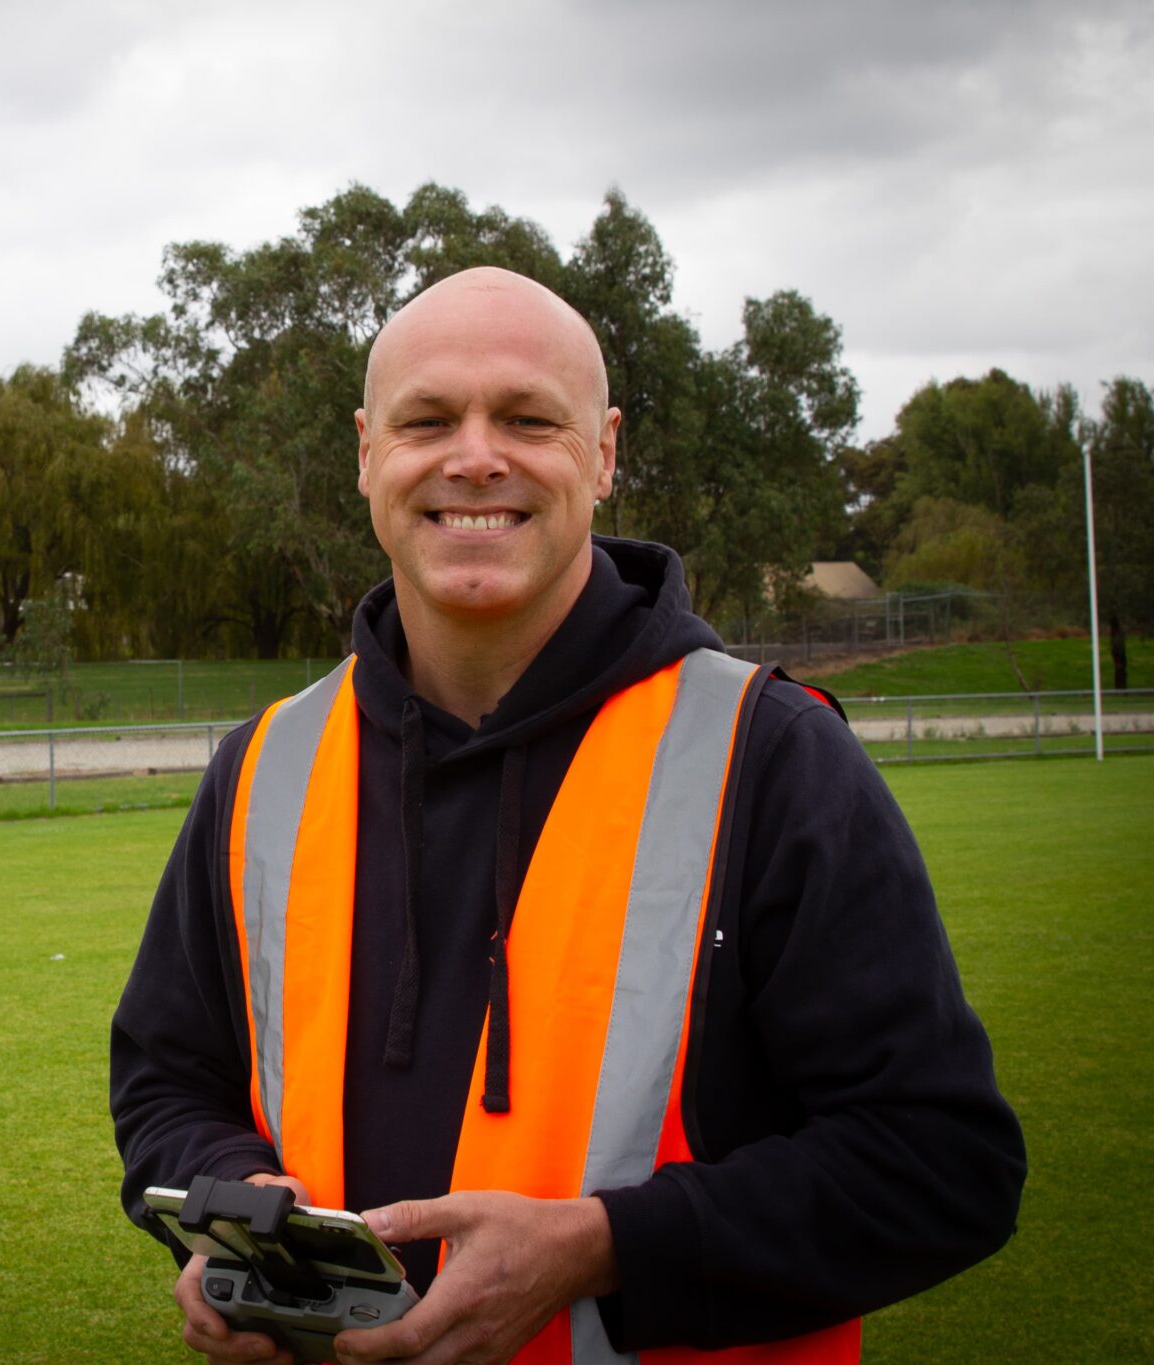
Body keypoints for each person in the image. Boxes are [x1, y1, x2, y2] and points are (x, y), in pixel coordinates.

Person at [109, 267, 1024, 1364]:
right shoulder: (261, 767)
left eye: (528, 418)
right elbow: (168, 1075)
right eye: (428, 419)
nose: (474, 457)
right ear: (365, 453)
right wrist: (238, 1212)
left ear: (601, 452)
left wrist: (606, 1248)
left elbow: (937, 1162)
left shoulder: (768, 755)